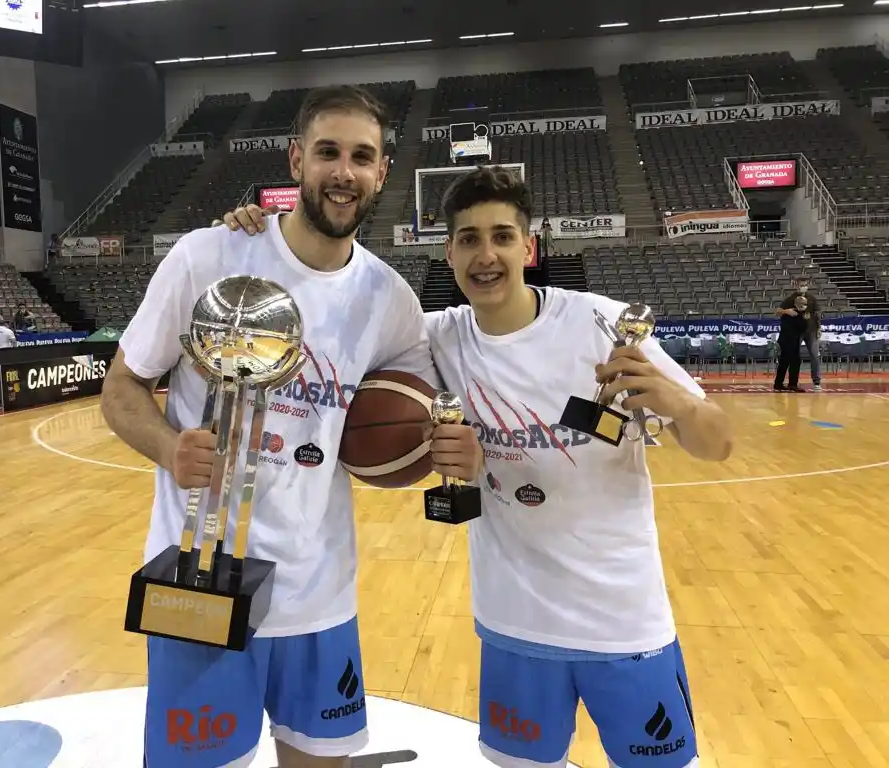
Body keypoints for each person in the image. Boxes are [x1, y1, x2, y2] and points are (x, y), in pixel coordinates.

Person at [222, 166, 733, 768]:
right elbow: (321, 320)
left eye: (501, 237)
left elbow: (717, 444)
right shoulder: (436, 335)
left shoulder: (602, 325)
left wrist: (680, 405)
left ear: (528, 247)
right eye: (468, 239)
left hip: (623, 620)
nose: (485, 255)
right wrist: (257, 239)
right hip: (513, 623)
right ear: (449, 252)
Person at [100, 84, 482, 768]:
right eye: (328, 152)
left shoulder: (391, 301)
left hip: (319, 595)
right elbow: (122, 387)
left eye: (362, 157)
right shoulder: (207, 257)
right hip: (201, 583)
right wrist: (168, 447)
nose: (345, 171)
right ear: (296, 159)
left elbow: (405, 419)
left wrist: (439, 445)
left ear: (382, 173)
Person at [774, 277, 820, 392]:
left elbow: (817, 314)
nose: (803, 306)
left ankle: (782, 384)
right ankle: (790, 384)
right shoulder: (790, 302)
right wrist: (787, 311)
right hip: (790, 336)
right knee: (791, 360)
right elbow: (778, 312)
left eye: (805, 284)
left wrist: (818, 327)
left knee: (789, 360)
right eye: (801, 285)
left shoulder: (811, 299)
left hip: (800, 334)